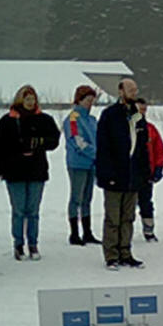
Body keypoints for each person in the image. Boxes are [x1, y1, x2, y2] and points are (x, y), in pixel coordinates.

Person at [0, 85, 60, 261]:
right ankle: (18, 244)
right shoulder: (8, 121)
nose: (30, 103)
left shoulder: (44, 119)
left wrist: (38, 142)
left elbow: (54, 140)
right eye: (27, 99)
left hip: (36, 170)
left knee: (33, 210)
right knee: (18, 210)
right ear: (20, 100)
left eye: (33, 99)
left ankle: (33, 243)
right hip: (15, 171)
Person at [96, 78, 147, 269]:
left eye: (135, 89)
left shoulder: (137, 115)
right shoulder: (109, 115)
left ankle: (126, 252)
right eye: (130, 89)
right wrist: (106, 175)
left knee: (128, 218)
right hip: (114, 176)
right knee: (113, 218)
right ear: (120, 91)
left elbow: (143, 147)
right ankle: (111, 254)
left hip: (133, 177)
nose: (134, 92)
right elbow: (103, 148)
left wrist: (144, 173)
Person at [63, 84, 100, 246]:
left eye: (92, 100)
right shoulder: (72, 118)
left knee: (87, 198)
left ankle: (87, 231)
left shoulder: (92, 120)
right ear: (79, 100)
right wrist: (95, 153)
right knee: (76, 197)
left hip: (92, 163)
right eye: (87, 100)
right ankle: (74, 232)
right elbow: (78, 141)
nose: (90, 104)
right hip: (78, 162)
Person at [135, 97, 163, 242]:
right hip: (130, 173)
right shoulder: (126, 128)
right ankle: (122, 230)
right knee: (127, 205)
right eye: (140, 109)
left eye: (144, 110)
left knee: (146, 203)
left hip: (147, 173)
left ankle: (149, 230)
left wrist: (159, 167)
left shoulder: (151, 129)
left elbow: (159, 149)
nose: (142, 112)